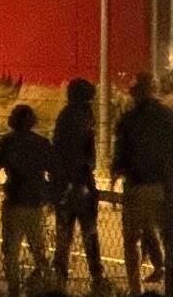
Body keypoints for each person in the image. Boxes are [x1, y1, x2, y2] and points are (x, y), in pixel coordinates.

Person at [112, 72, 173, 295]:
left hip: (136, 185)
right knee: (167, 237)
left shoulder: (128, 120)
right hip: (162, 186)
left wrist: (116, 171)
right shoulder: (167, 116)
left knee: (131, 241)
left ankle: (135, 288)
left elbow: (120, 152)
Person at [0, 104, 52, 297]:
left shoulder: (8, 141)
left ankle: (14, 288)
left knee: (11, 249)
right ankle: (48, 284)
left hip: (15, 198)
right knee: (38, 246)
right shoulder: (41, 142)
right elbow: (52, 167)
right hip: (35, 199)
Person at [50, 78, 103, 288]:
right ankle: (96, 275)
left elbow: (62, 150)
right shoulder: (83, 116)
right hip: (80, 180)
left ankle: (60, 276)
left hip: (69, 182)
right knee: (88, 230)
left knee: (65, 231)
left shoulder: (69, 116)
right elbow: (86, 153)